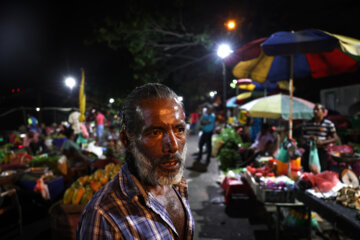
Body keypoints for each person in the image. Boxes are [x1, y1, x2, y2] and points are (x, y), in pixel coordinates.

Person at [77, 83, 194, 240]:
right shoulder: (103, 216)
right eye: (155, 132)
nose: (173, 145)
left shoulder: (176, 185)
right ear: (126, 140)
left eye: (179, 130)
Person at [301, 103, 338, 172]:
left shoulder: (329, 124)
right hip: (309, 151)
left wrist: (323, 142)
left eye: (317, 109)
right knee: (307, 171)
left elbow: (335, 138)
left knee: (321, 171)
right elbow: (302, 137)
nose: (315, 111)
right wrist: (309, 138)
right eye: (314, 110)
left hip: (322, 152)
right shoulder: (307, 123)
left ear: (323, 112)